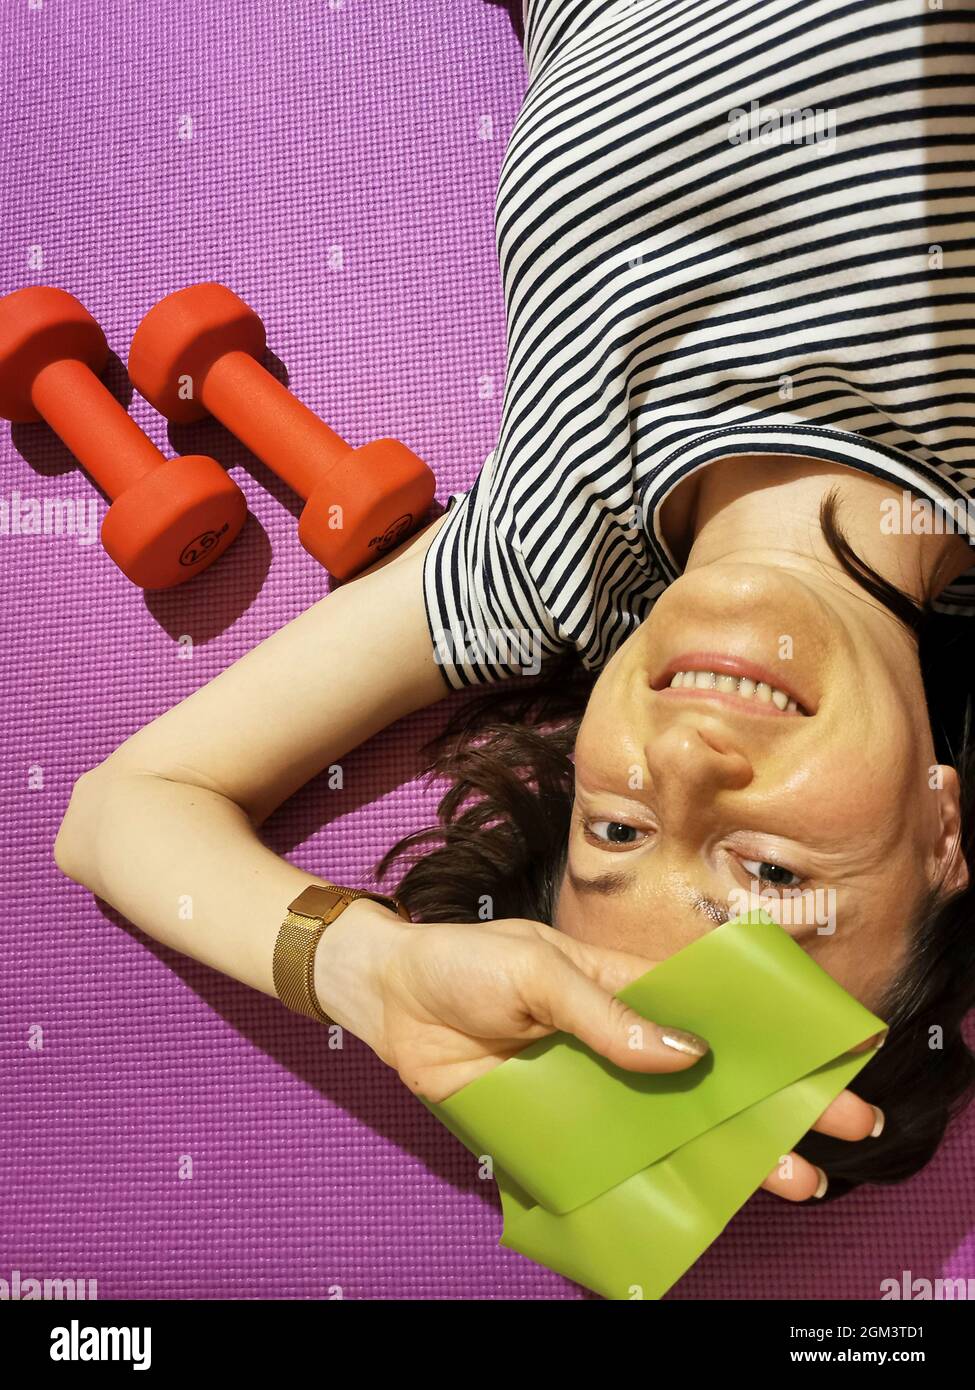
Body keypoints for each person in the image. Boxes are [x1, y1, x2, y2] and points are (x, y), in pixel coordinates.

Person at [55, 0, 975, 1207]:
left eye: (618, 833)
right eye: (767, 871)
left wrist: (377, 977)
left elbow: (119, 813)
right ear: (943, 832)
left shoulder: (544, 572)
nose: (686, 767)